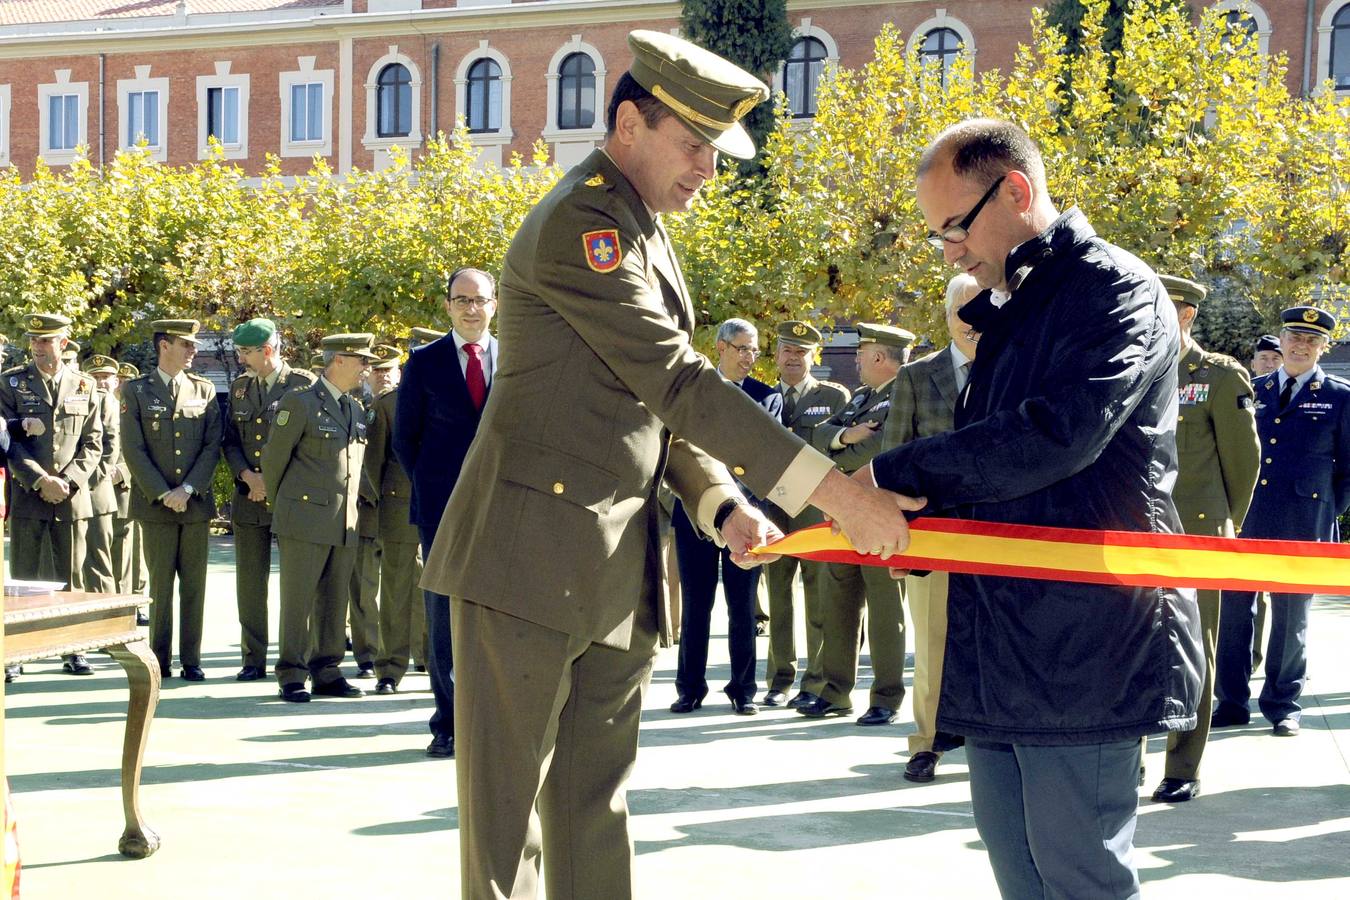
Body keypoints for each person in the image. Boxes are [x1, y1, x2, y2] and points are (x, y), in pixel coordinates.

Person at [419, 31, 914, 900]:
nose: (708, 170)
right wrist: (837, 496)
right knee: (505, 835)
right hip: (525, 562)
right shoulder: (581, 224)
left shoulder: (640, 227)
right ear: (628, 125)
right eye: (693, 145)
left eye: (715, 151)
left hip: (611, 569)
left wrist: (721, 504)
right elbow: (678, 381)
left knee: (592, 812)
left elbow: (650, 406)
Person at [862, 119, 1202, 898]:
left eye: (955, 226)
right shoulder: (1016, 304)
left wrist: (891, 473)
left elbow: (1056, 436)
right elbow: (990, 468)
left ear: (1015, 190)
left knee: (1079, 877)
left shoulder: (1112, 291)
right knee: (1021, 875)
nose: (950, 252)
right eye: (939, 235)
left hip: (1086, 645)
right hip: (1005, 640)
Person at [1147, 275, 1260, 801]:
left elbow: (1243, 464)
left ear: (1186, 314)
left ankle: (1182, 766)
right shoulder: (1133, 368)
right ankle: (1127, 757)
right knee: (1131, 646)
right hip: (1137, 533)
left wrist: (1221, 528)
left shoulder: (1217, 375)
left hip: (1196, 536)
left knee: (1194, 649)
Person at [1214, 305, 1349, 737]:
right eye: (1294, 336)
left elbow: (1347, 469)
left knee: (1292, 620)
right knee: (1234, 615)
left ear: (1323, 347)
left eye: (1311, 340)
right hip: (1247, 519)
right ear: (1282, 338)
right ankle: (1231, 701)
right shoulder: (1252, 390)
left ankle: (1283, 705)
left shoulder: (1340, 396)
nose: (1300, 345)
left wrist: (1325, 510)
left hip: (1303, 523)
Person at [394, 268, 500, 758]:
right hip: (443, 511)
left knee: (501, 616)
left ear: (495, 304)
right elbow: (405, 439)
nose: (471, 309)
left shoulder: (516, 359)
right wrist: (436, 489)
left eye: (480, 300)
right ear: (448, 306)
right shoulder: (425, 361)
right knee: (444, 617)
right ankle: (449, 723)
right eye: (462, 300)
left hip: (505, 508)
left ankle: (495, 723)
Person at [880, 273, 980, 781]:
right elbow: (893, 460)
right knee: (934, 643)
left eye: (985, 306)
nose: (974, 320)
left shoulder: (1014, 370)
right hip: (932, 534)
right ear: (947, 316)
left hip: (997, 535)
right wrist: (896, 541)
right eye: (965, 309)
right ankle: (927, 742)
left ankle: (992, 741)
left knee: (997, 642)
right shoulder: (917, 377)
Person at [802, 322, 913, 724]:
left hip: (880, 514)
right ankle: (835, 691)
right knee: (838, 602)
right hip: (844, 516)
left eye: (861, 354)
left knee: (884, 608)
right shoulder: (864, 397)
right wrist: (848, 435)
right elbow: (817, 437)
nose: (856, 361)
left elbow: (880, 450)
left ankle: (886, 697)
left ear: (880, 357)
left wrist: (842, 449)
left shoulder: (905, 393)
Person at [669, 318, 780, 716]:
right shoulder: (697, 391)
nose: (749, 357)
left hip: (747, 513)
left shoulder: (766, 397)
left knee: (743, 605)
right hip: (695, 512)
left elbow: (767, 452)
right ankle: (689, 688)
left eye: (754, 350)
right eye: (742, 348)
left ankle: (743, 689)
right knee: (696, 604)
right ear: (720, 347)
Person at [263, 333, 378, 703]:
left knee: (334, 601)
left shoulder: (355, 408)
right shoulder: (300, 403)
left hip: (344, 521)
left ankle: (327, 671)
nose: (367, 368)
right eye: (361, 360)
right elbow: (273, 461)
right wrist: (287, 508)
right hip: (304, 519)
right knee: (298, 601)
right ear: (338, 360)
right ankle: (291, 674)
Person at [0, 313, 104, 675]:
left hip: (71, 498)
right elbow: (7, 441)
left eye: (45, 340)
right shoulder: (11, 383)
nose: (38, 347)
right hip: (29, 493)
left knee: (71, 575)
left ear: (63, 343)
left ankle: (73, 649)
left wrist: (68, 482)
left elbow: (94, 442)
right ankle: (16, 653)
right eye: (34, 340)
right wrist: (41, 479)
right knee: (24, 577)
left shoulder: (85, 385)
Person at [121, 319, 223, 680]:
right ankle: (160, 659)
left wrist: (189, 489)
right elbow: (133, 448)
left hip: (194, 504)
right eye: (186, 344)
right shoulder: (136, 390)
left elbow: (212, 444)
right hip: (156, 505)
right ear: (164, 345)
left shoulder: (204, 389)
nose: (193, 350)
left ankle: (192, 660)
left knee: (194, 586)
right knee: (161, 587)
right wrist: (164, 493)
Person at [221, 318, 316, 682]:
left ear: (267, 349)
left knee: (297, 584)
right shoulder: (240, 388)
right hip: (249, 497)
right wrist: (247, 476)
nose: (240, 359)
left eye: (245, 352)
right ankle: (253, 658)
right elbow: (230, 441)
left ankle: (297, 657)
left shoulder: (303, 384)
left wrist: (270, 482)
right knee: (250, 583)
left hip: (292, 498)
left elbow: (310, 446)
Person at [761, 320, 849, 707]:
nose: (793, 358)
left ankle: (816, 681)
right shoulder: (763, 398)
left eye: (801, 352)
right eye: (787, 350)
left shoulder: (833, 397)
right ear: (776, 355)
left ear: (814, 357)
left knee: (818, 595)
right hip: (773, 506)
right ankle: (779, 679)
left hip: (815, 506)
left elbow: (843, 450)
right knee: (778, 595)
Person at [366, 337, 425, 695]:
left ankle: (437, 661)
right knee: (396, 589)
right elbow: (374, 463)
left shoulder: (454, 396)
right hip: (400, 506)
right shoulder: (388, 404)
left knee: (440, 589)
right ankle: (389, 667)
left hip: (444, 506)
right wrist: (386, 502)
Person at [81, 355, 125, 594]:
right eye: (95, 377)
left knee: (102, 564)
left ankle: (108, 613)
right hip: (79, 492)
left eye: (105, 377)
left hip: (100, 490)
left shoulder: (117, 404)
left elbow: (111, 447)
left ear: (115, 380)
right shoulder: (81, 399)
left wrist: (85, 482)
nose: (100, 382)